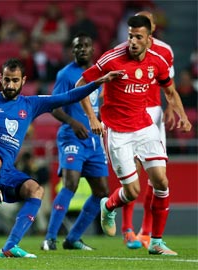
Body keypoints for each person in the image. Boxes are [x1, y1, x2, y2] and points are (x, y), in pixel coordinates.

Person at [0, 58, 122, 258]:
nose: (10, 85)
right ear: (0, 78)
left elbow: (68, 97)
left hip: (6, 168)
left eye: (14, 80)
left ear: (23, 80)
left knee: (35, 190)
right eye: (6, 80)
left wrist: (99, 81)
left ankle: (10, 247)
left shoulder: (31, 104)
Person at [78, 15, 192, 256]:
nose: (133, 41)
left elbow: (170, 91)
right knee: (132, 192)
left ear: (149, 39)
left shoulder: (158, 60)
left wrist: (182, 116)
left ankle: (156, 242)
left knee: (161, 182)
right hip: (118, 132)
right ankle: (108, 206)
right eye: (130, 36)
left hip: (145, 127)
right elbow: (81, 85)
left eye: (138, 37)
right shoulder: (112, 58)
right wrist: (92, 118)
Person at [41, 33, 109, 251]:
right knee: (70, 183)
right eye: (77, 46)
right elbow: (53, 105)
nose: (82, 50)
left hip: (94, 140)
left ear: (92, 49)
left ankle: (73, 239)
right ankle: (50, 238)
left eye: (86, 45)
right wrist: (73, 122)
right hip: (72, 137)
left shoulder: (100, 73)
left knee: (101, 193)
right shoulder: (65, 74)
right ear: (73, 51)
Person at [115, 10, 176, 250]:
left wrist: (171, 109)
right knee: (135, 171)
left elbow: (168, 84)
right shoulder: (125, 50)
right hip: (132, 112)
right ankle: (127, 229)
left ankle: (147, 231)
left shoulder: (165, 51)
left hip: (155, 113)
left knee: (157, 175)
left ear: (151, 29)